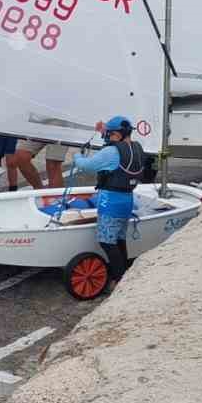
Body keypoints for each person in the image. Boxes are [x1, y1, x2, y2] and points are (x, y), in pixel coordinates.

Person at [66, 115, 146, 286]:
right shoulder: (137, 148)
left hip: (110, 202)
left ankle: (119, 278)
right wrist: (104, 130)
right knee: (118, 239)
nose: (107, 137)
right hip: (127, 200)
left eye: (109, 134)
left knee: (106, 241)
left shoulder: (111, 152)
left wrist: (76, 157)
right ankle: (125, 272)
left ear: (117, 134)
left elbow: (86, 166)